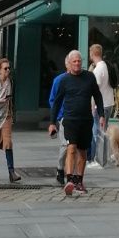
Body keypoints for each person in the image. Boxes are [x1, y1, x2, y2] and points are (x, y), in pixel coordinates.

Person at [48, 49, 104, 196]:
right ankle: (69, 180)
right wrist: (52, 122)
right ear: (69, 64)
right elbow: (57, 101)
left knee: (83, 152)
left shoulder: (89, 77)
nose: (77, 63)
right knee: (71, 148)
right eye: (74, 61)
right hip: (70, 120)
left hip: (86, 120)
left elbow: (97, 96)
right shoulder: (64, 80)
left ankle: (79, 181)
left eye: (79, 61)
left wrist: (102, 115)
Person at [86, 43, 115, 169]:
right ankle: (104, 158)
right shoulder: (106, 66)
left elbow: (95, 91)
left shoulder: (97, 70)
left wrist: (92, 106)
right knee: (103, 132)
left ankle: (98, 160)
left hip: (100, 106)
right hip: (109, 102)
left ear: (92, 54)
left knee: (97, 132)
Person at [49, 56, 70, 186]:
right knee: (65, 145)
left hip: (78, 118)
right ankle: (60, 169)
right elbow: (53, 100)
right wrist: (58, 116)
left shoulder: (81, 79)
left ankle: (72, 173)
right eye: (73, 62)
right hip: (64, 118)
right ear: (67, 65)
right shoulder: (59, 80)